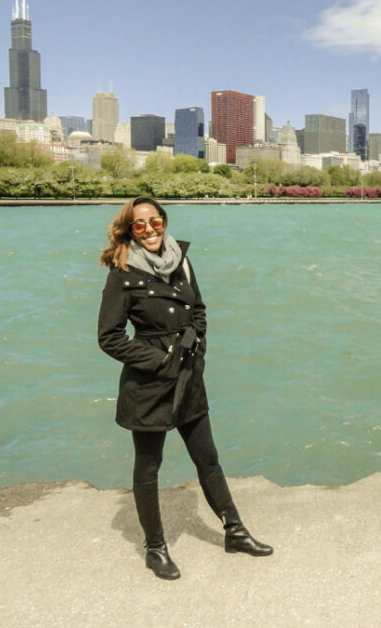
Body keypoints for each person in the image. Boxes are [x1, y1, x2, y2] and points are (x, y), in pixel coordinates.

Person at [98, 196, 272, 580]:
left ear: (164, 221)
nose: (149, 231)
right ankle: (155, 548)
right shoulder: (122, 273)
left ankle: (235, 531)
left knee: (207, 458)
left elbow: (199, 309)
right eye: (139, 225)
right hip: (149, 385)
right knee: (148, 467)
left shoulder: (182, 260)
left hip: (189, 376)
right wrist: (158, 361)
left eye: (155, 222)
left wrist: (199, 349)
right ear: (129, 230)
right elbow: (109, 338)